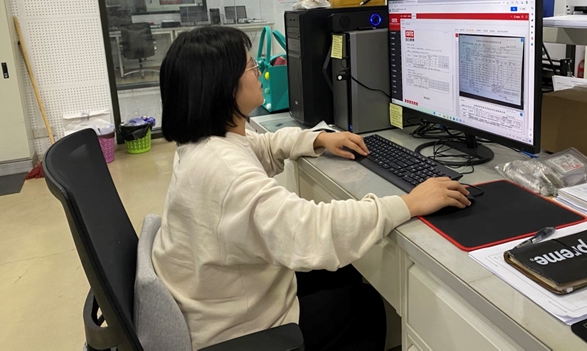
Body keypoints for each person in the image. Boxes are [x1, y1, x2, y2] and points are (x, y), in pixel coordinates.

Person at [153, 26, 471, 350]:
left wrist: (318, 138)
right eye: (251, 67)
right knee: (365, 305)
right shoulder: (227, 173)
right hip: (241, 330)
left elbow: (262, 145)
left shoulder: (204, 145)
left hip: (221, 299)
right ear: (223, 87)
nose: (259, 72)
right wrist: (408, 203)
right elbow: (312, 230)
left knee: (348, 272)